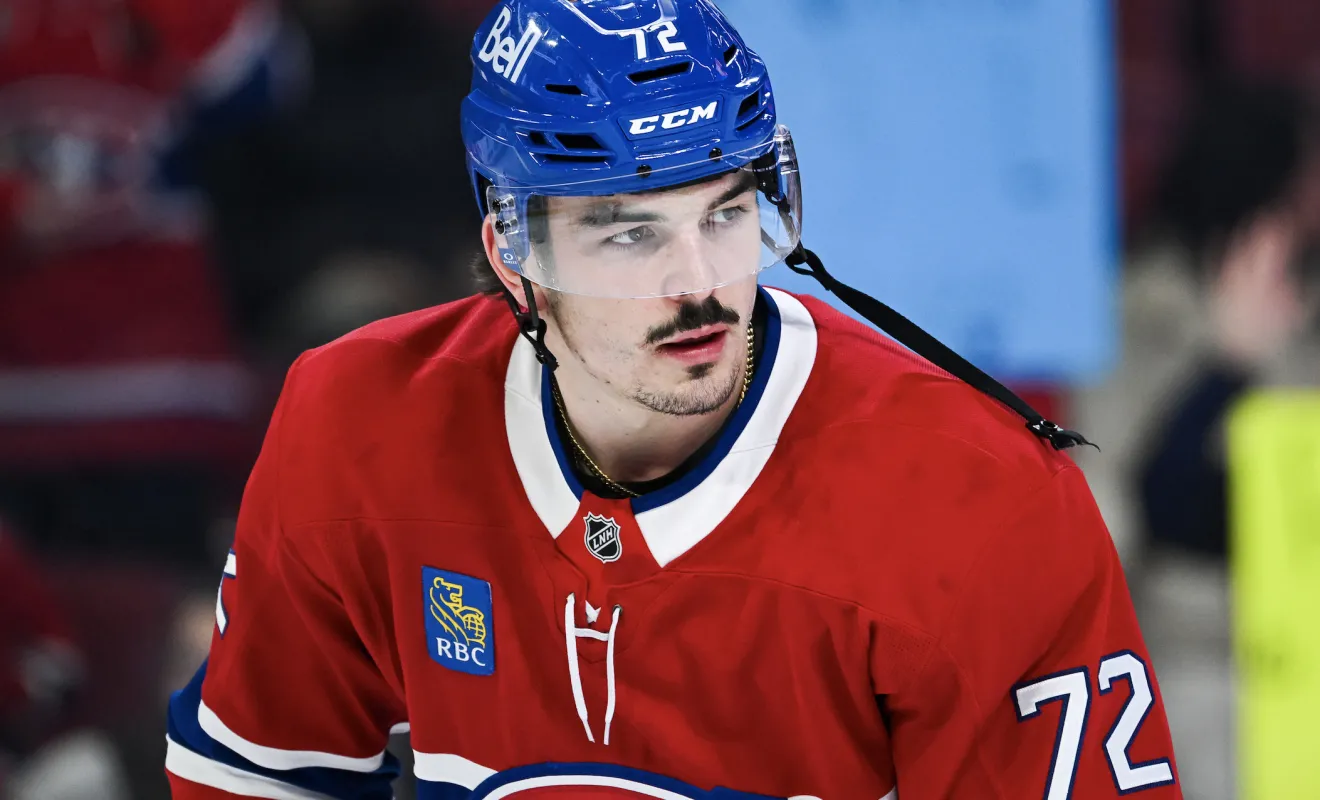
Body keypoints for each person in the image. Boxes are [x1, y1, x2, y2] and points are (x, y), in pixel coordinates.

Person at [164, 1, 1181, 797]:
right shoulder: (357, 425)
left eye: (725, 214)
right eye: (630, 234)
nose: (697, 284)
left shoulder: (980, 499)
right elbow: (258, 776)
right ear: (513, 255)